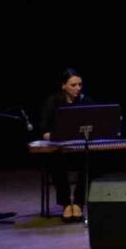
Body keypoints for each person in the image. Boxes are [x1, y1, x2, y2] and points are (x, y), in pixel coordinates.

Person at [37, 68, 92, 222]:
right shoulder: (53, 101)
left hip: (79, 149)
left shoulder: (85, 101)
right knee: (55, 161)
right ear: (63, 86)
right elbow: (43, 128)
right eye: (73, 85)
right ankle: (66, 203)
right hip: (60, 149)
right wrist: (53, 136)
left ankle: (79, 203)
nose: (78, 88)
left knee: (92, 162)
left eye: (80, 85)